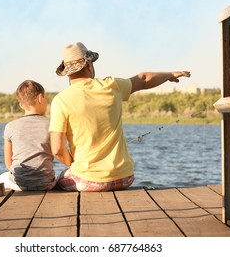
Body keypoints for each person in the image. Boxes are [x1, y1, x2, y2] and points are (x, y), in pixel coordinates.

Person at [49, 42, 191, 192]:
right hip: (125, 178)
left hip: (88, 181)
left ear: (67, 72)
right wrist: (169, 75)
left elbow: (57, 149)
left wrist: (75, 165)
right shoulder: (112, 86)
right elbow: (143, 79)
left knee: (57, 181)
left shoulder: (61, 100)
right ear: (89, 65)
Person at [0, 80, 56, 191]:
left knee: (0, 179)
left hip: (18, 184)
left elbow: (9, 163)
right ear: (40, 98)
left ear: (21, 105)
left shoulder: (10, 126)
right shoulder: (51, 124)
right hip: (46, 183)